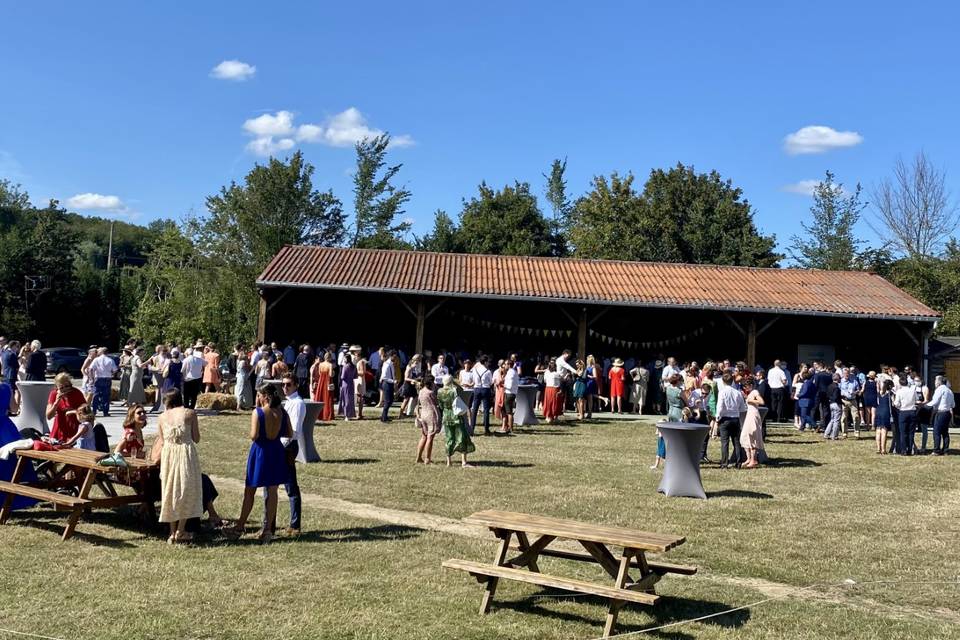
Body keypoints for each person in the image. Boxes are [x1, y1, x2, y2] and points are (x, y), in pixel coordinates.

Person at [231, 384, 291, 544]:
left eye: (259, 395)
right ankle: (267, 530)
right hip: (276, 450)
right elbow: (289, 433)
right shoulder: (282, 412)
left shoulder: (258, 412)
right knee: (273, 491)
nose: (257, 398)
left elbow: (253, 435)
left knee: (250, 490)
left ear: (265, 396)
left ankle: (240, 526)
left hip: (260, 451)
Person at [153, 389, 203, 543]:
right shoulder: (190, 413)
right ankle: (181, 530)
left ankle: (172, 531)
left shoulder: (161, 417)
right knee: (186, 488)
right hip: (184, 452)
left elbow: (161, 439)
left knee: (169, 488)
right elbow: (196, 438)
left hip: (169, 453)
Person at [0, 382, 38, 509]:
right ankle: (19, 497)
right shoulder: (6, 387)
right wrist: (17, 394)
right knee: (14, 460)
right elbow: (14, 409)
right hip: (6, 427)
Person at [274, 374, 304, 535]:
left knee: (291, 487)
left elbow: (294, 430)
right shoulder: (288, 402)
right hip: (283, 444)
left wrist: (281, 446)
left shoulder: (297, 404)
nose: (285, 387)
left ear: (296, 385)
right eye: (283, 384)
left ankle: (295, 524)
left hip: (288, 446)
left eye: (289, 385)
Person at [437, 375, 475, 467]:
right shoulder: (454, 391)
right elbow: (461, 390)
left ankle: (449, 462)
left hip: (446, 416)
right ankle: (464, 462)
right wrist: (454, 383)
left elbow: (440, 406)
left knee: (449, 438)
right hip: (456, 416)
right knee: (462, 437)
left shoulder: (439, 391)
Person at [45, 373, 88, 443]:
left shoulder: (76, 392)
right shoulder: (54, 394)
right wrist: (56, 402)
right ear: (57, 387)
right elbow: (49, 416)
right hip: (59, 429)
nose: (65, 389)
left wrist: (74, 411)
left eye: (67, 386)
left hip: (74, 429)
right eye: (62, 387)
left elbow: (86, 411)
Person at [715, 372, 746, 469]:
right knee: (736, 442)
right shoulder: (737, 392)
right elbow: (742, 408)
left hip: (725, 419)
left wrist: (717, 418)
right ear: (732, 381)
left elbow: (720, 406)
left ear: (723, 382)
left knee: (725, 442)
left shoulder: (722, 392)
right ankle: (738, 462)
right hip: (735, 418)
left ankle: (724, 463)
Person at [415, 375, 441, 464]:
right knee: (430, 437)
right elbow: (437, 403)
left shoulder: (421, 391)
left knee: (423, 436)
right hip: (431, 414)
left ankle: (418, 457)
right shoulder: (431, 393)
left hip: (423, 414)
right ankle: (427, 458)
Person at [926, 375, 954, 456]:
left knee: (937, 432)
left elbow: (934, 401)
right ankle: (946, 450)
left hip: (940, 412)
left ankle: (936, 450)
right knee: (945, 432)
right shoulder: (949, 391)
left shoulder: (939, 389)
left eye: (935, 381)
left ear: (939, 382)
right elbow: (953, 404)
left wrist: (926, 406)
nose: (934, 382)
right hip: (947, 412)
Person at [740, 379, 764, 468]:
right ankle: (749, 458)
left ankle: (753, 459)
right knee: (745, 435)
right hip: (749, 415)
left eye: (746, 386)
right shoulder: (750, 393)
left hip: (753, 415)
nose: (745, 388)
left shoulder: (755, 392)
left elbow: (761, 402)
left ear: (751, 385)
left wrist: (751, 401)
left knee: (752, 436)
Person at [892, 375, 917, 455]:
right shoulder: (913, 390)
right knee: (911, 432)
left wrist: (894, 401)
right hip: (912, 411)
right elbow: (916, 400)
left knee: (903, 432)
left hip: (903, 411)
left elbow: (896, 404)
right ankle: (910, 449)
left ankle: (903, 450)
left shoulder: (899, 391)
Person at [470, 355, 494, 434]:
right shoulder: (488, 371)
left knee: (474, 409)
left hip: (477, 389)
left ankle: (472, 429)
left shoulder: (475, 370)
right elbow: (491, 382)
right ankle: (486, 429)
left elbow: (473, 379)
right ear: (485, 362)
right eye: (488, 362)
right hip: (485, 389)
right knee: (486, 410)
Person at [311, 351, 335, 421]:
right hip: (327, 381)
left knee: (320, 396)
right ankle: (327, 414)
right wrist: (333, 372)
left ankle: (319, 414)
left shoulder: (320, 364)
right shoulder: (330, 365)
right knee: (328, 397)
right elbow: (330, 375)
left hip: (321, 381)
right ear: (330, 357)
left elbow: (319, 373)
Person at [181, 346, 205, 410]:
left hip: (188, 379)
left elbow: (182, 370)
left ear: (187, 353)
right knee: (194, 395)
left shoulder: (186, 360)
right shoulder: (199, 359)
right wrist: (200, 369)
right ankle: (192, 407)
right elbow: (206, 363)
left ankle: (186, 407)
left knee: (186, 394)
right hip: (197, 378)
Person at [875, 379, 893, 454]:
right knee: (884, 430)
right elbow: (893, 404)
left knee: (878, 430)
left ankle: (878, 448)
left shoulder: (880, 393)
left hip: (878, 411)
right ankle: (883, 449)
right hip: (886, 411)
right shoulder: (890, 394)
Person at [379, 349, 398, 423]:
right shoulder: (387, 364)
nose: (395, 358)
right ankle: (383, 418)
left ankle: (385, 416)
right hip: (387, 383)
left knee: (390, 400)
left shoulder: (391, 364)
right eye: (394, 356)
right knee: (387, 401)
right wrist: (393, 381)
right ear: (391, 356)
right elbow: (384, 377)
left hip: (390, 383)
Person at [500, 357, 519, 434]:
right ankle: (508, 427)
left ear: (508, 364)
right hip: (511, 393)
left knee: (509, 412)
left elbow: (510, 385)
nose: (504, 366)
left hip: (509, 393)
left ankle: (510, 428)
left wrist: (503, 385)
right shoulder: (513, 372)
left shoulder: (511, 373)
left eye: (505, 364)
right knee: (508, 411)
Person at [542, 360, 561, 424]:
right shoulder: (557, 374)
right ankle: (554, 417)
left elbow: (545, 381)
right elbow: (559, 382)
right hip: (555, 389)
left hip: (548, 389)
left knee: (548, 403)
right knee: (555, 403)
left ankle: (548, 417)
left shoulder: (546, 373)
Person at [352, 346, 368, 420]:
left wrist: (354, 372)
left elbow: (363, 372)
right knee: (358, 397)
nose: (354, 357)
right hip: (357, 380)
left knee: (360, 397)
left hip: (360, 380)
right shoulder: (358, 362)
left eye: (355, 355)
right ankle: (358, 413)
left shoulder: (361, 362)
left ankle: (359, 414)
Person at [339, 355, 357, 420]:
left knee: (345, 399)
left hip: (345, 384)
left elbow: (342, 377)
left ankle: (346, 415)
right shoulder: (354, 366)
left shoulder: (345, 367)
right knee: (350, 400)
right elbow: (355, 376)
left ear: (346, 359)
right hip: (351, 384)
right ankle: (351, 414)